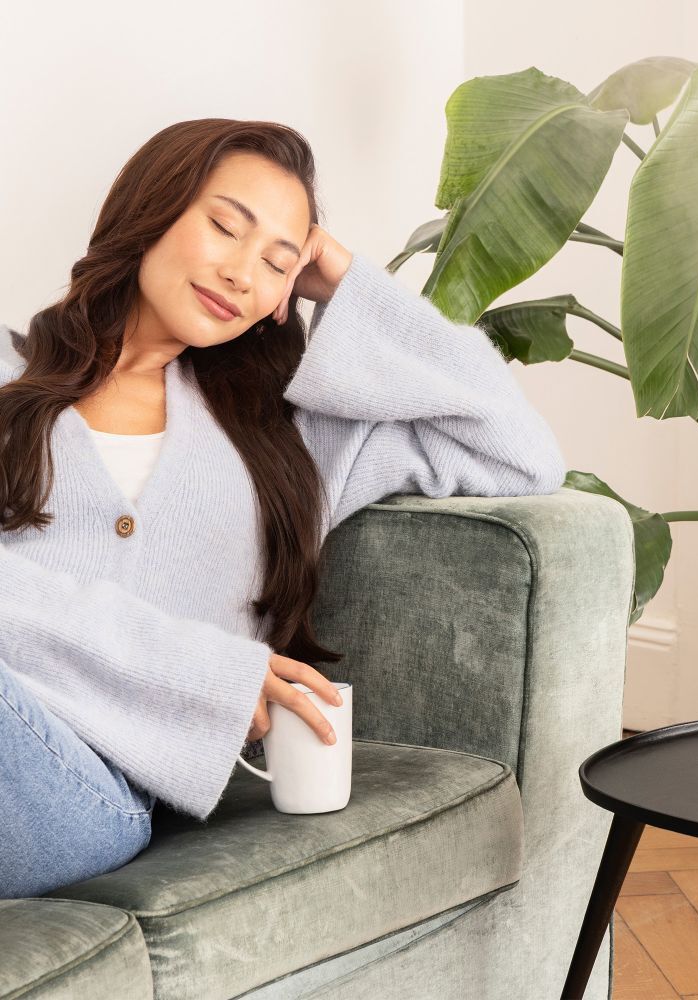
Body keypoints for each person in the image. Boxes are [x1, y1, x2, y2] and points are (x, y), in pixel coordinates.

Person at [0, 119, 567, 898]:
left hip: (88, 796)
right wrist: (207, 672)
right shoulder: (9, 383)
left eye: (277, 262)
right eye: (226, 227)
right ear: (152, 211)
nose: (242, 273)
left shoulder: (294, 439)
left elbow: (519, 447)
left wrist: (349, 282)